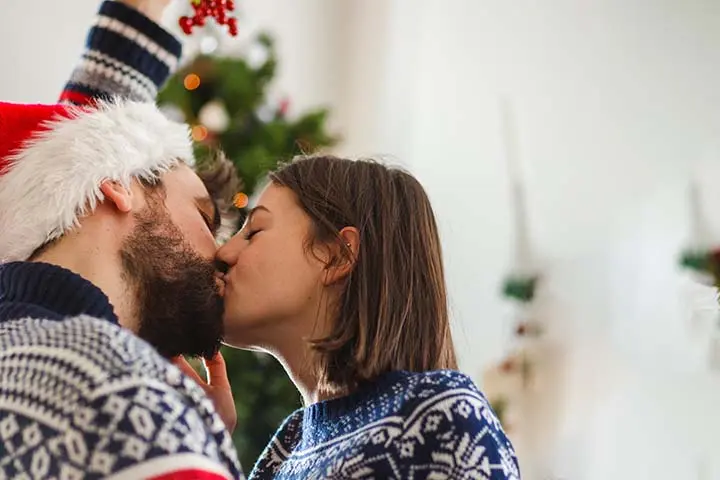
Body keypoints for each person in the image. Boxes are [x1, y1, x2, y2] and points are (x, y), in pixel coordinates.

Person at [0, 2, 243, 478]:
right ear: (119, 185)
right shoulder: (120, 395)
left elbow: (84, 144)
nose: (223, 254)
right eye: (202, 215)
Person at [215, 156, 522, 479]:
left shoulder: (442, 420)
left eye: (254, 232)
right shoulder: (287, 448)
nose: (224, 253)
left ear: (337, 256)